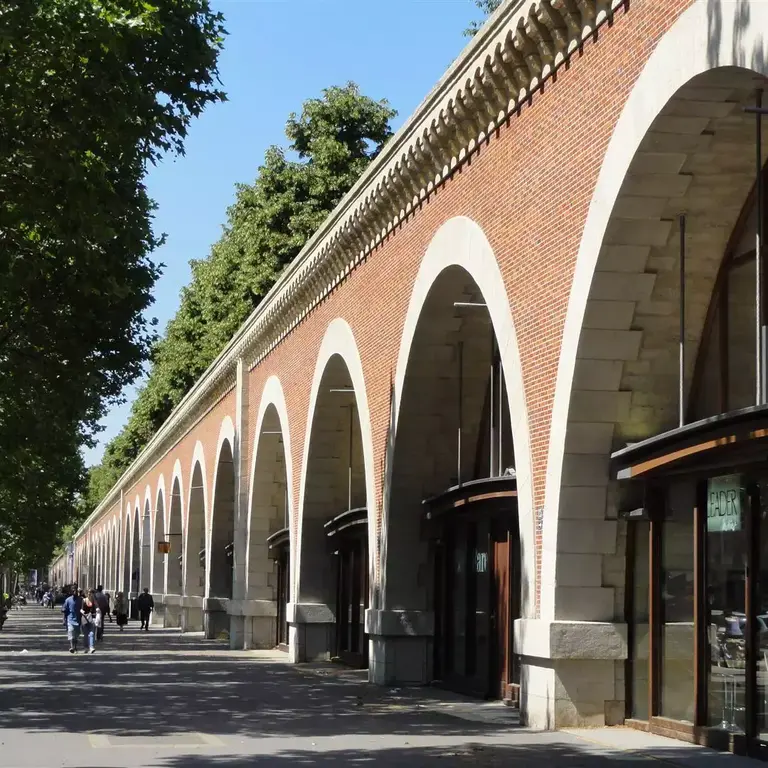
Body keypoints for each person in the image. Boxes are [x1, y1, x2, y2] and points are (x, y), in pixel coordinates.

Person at [62, 589, 84, 654]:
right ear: (71, 592)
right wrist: (64, 619)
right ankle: (72, 647)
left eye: (76, 591)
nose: (75, 592)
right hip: (70, 619)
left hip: (78, 620)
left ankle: (75, 647)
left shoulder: (81, 600)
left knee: (76, 636)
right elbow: (64, 610)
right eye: (73, 591)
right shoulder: (68, 600)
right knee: (71, 633)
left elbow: (83, 609)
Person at [81, 590, 100, 654]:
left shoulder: (94, 601)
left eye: (90, 593)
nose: (89, 594)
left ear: (92, 594)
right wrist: (83, 613)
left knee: (91, 634)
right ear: (86, 594)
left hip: (92, 619)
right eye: (88, 593)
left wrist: (97, 610)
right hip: (85, 618)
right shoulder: (84, 600)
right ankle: (86, 648)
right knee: (86, 634)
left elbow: (97, 608)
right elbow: (81, 609)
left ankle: (91, 647)